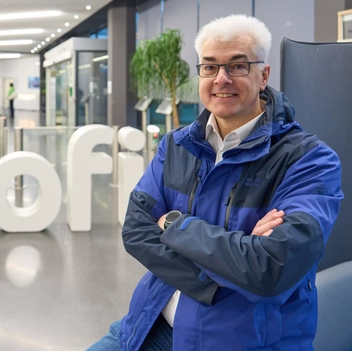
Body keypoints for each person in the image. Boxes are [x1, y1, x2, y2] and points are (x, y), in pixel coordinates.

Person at [88, 14, 343, 351]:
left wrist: (175, 225)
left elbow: (271, 268)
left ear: (263, 75)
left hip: (242, 342)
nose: (221, 78)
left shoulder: (309, 160)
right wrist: (233, 263)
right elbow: (136, 231)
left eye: (238, 66)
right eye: (209, 67)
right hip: (147, 324)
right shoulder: (177, 146)